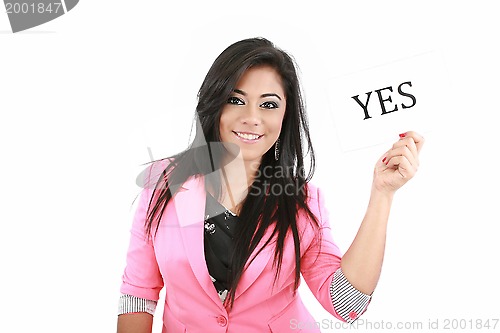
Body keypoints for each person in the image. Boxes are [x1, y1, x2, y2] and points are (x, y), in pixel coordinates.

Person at [116, 37, 424, 333]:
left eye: (269, 104)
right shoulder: (164, 183)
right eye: (236, 100)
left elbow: (346, 303)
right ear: (215, 104)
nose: (252, 117)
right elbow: (139, 293)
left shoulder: (301, 202)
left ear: (285, 114)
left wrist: (382, 193)